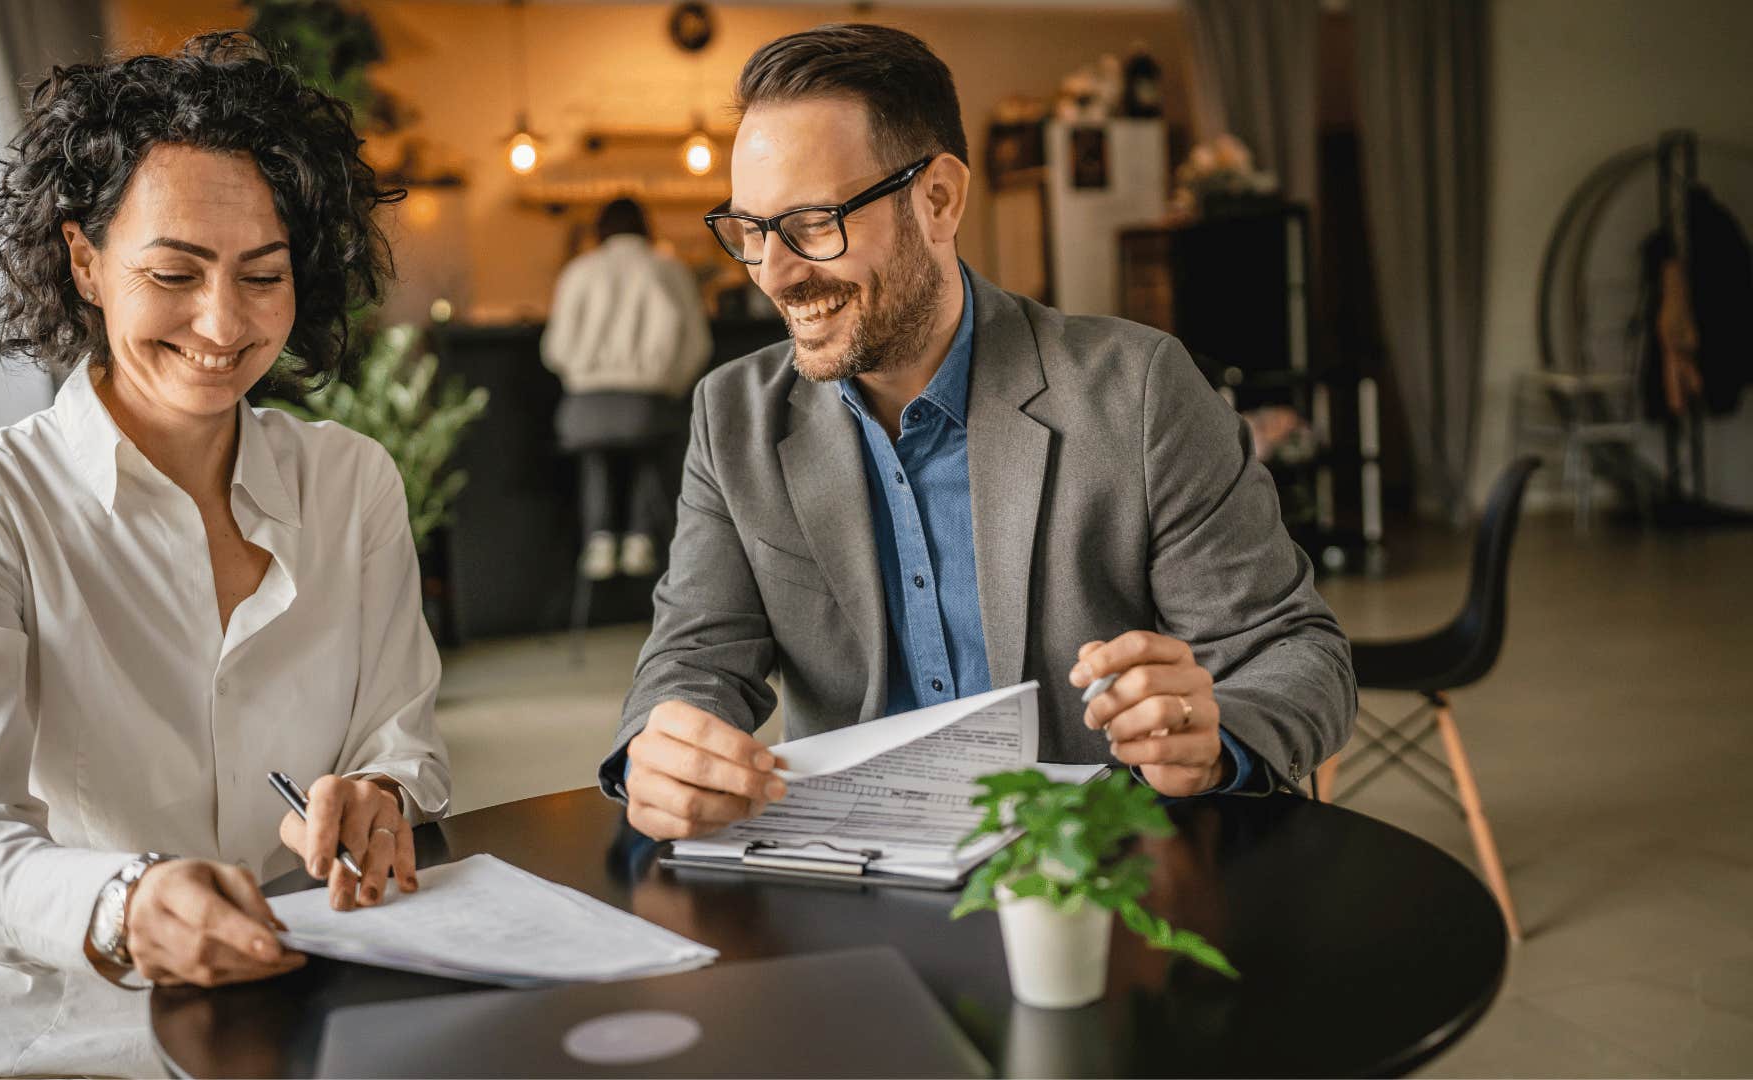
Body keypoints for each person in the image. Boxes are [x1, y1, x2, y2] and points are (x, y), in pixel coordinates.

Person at [601, 24, 1356, 841]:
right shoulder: (732, 417)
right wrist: (660, 749)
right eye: (751, 232)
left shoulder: (1139, 390)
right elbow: (693, 658)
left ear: (938, 200)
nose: (775, 275)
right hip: (854, 875)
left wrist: (1216, 736)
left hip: (1098, 876)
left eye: (813, 223)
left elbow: (1295, 654)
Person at [0, 33, 449, 1077]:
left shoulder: (349, 482)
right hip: (50, 1037)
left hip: (285, 1005)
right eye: (174, 272)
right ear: (85, 262)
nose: (223, 323)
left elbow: (400, 734)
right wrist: (125, 904)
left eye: (262, 275)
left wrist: (380, 790)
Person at [542, 197, 712, 580]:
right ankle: (641, 537)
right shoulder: (668, 269)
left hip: (584, 410)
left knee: (599, 453)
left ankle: (599, 539)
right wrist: (668, 385)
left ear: (600, 229)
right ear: (646, 226)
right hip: (648, 405)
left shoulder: (579, 271)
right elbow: (698, 345)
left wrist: (584, 374)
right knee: (648, 443)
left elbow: (555, 349)